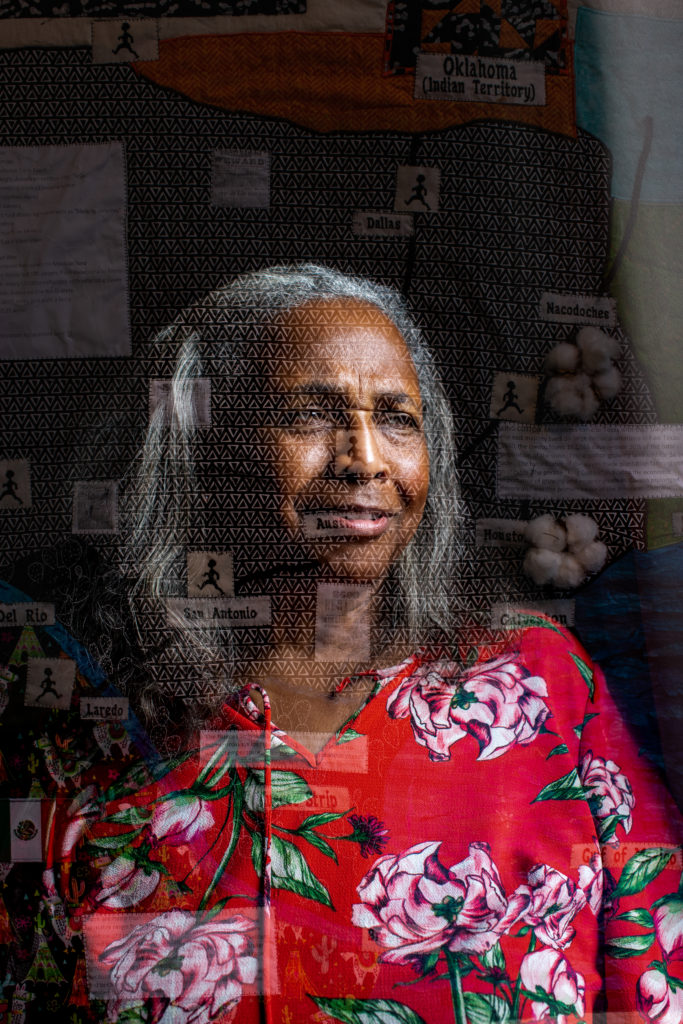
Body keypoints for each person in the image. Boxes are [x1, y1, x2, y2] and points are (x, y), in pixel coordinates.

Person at [9, 265, 682, 1023]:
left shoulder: (538, 681)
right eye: (309, 414)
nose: (365, 459)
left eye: (398, 418)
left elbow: (656, 971)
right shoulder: (83, 727)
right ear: (200, 448)